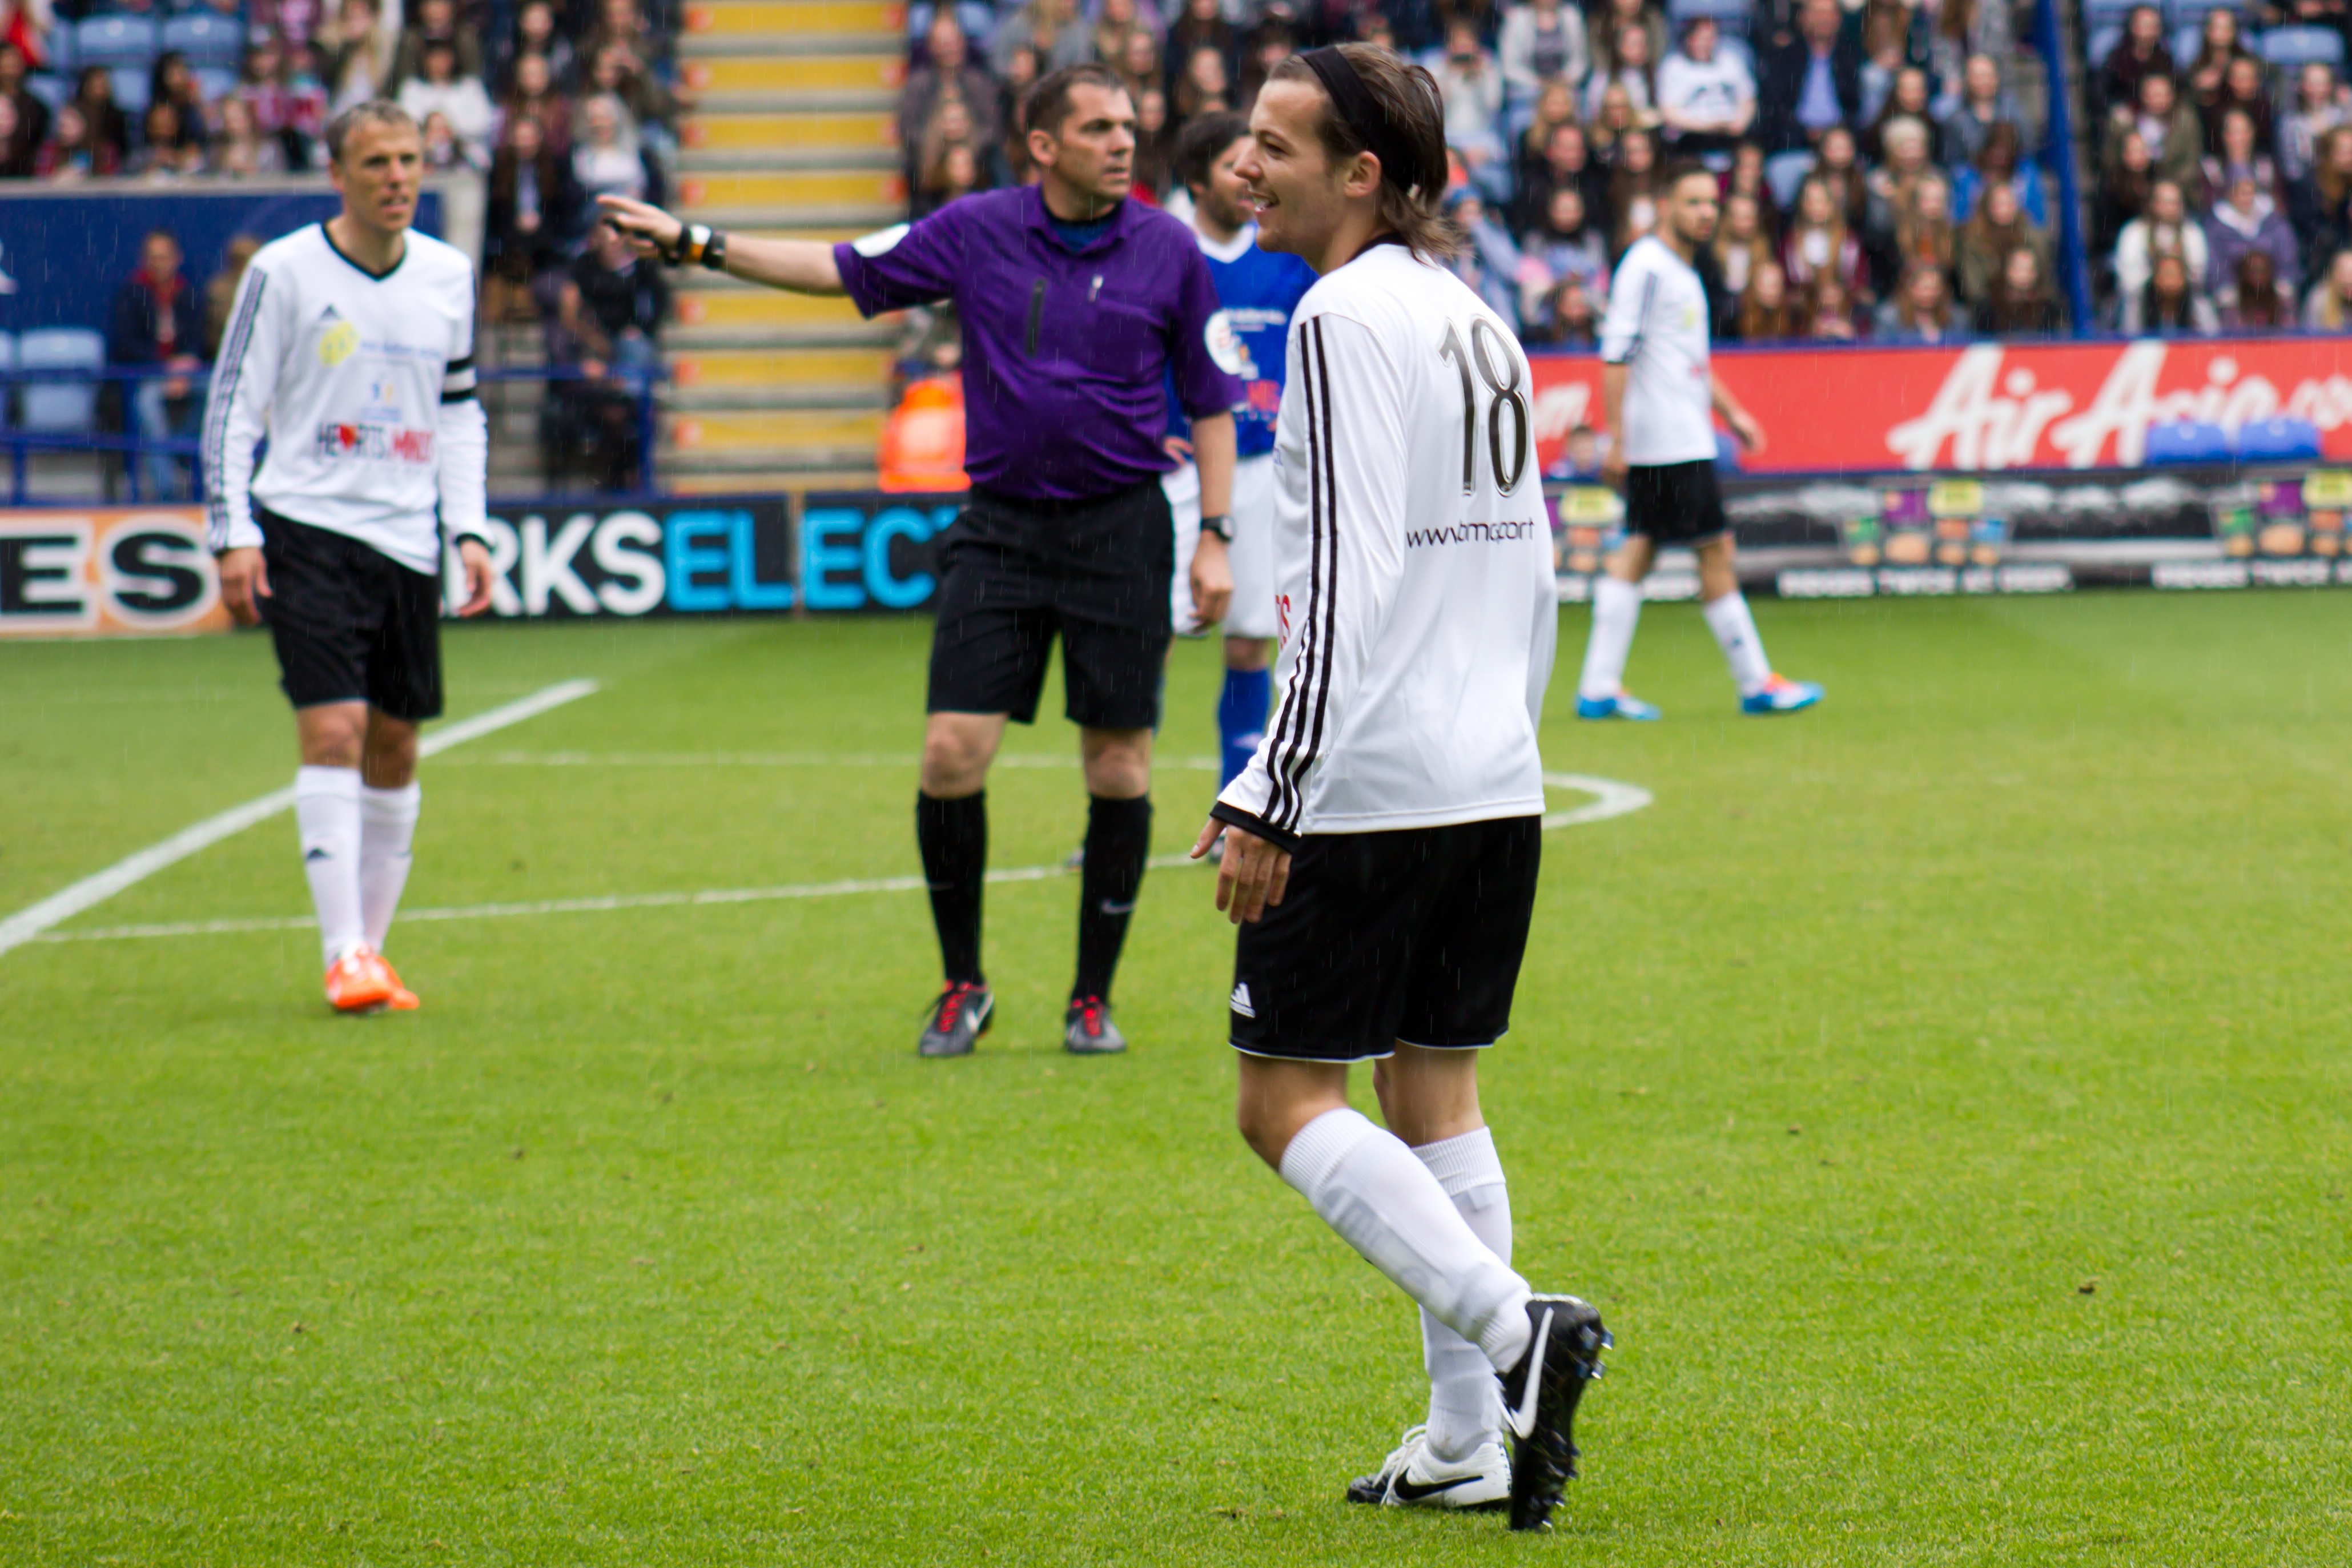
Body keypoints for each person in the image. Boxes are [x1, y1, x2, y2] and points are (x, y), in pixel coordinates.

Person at [601, 62, 1241, 1059]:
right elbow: (838, 268)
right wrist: (696, 244)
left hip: (1123, 530)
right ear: (1040, 145)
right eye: (1098, 128)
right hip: (1000, 530)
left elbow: (1208, 398)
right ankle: (961, 984)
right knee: (949, 755)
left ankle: (1089, 998)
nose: (1122, 142)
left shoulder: (1167, 247)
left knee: (1117, 767)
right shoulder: (975, 229)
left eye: (1127, 126)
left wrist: (1213, 534)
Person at [1196, 41, 1608, 1533]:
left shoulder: (1335, 314)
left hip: (1368, 779)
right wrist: (1510, 733)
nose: (1246, 166)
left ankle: (1516, 1337)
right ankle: (1465, 1440)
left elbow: (1342, 579)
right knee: (1431, 1085)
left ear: (1360, 173)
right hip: (1491, 772)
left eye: (1275, 146)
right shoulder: (1471, 317)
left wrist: (1267, 792)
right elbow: (1532, 556)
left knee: (1277, 1099)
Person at [201, 101, 498, 1015]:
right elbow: (231, 409)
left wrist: (470, 529)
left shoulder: (447, 275)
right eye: (375, 163)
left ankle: (370, 949)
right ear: (338, 173)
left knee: (396, 748)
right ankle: (344, 956)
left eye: (409, 159)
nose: (397, 177)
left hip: (408, 539)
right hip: (306, 525)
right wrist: (234, 531)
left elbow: (457, 409)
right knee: (332, 730)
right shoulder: (285, 271)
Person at [1575, 163, 1819, 723]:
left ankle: (1598, 688)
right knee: (1714, 550)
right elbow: (1616, 356)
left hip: (1679, 435)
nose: (1706, 212)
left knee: (1640, 550)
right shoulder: (1649, 268)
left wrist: (1734, 415)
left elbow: (1690, 364)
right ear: (1666, 206)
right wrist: (1617, 439)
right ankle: (1757, 682)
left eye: (1712, 202)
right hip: (1668, 442)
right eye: (1693, 202)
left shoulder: (1681, 270)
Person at [1160, 112, 1316, 797]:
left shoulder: (1284, 256)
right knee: (1147, 641)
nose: (1250, 175)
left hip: (1259, 469)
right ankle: (1119, 797)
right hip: (1172, 474)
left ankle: (1238, 799)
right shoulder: (1164, 254)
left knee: (1252, 637)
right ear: (1196, 181)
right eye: (1233, 165)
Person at [107, 229, 204, 498]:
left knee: (215, 391)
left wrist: (187, 363)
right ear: (144, 260)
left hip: (185, 377)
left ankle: (177, 452)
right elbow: (125, 344)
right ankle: (167, 488)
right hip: (145, 377)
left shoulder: (188, 293)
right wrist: (165, 368)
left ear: (177, 258)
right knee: (147, 403)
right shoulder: (131, 294)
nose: (159, 263)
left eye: (164, 257)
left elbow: (197, 338)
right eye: (153, 257)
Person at [1757, 0, 1863, 155]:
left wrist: (1834, 132)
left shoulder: (1853, 56)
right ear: (1802, 17)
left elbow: (1856, 107)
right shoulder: (1784, 58)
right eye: (1818, 13)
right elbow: (1776, 106)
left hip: (1842, 138)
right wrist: (1806, 132)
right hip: (1795, 139)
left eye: (1830, 13)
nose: (1824, 19)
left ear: (1839, 18)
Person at [1655, 16, 1754, 162]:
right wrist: (1710, 126)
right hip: (1691, 139)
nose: (1705, 44)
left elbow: (1748, 99)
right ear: (1688, 39)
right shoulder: (1672, 66)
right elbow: (1668, 112)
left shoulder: (1731, 61)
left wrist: (1740, 123)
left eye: (1710, 38)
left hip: (1730, 136)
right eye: (1699, 38)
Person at [1972, 243, 2061, 335]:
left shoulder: (2048, 308)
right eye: (2019, 268)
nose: (2024, 274)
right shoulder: (1988, 307)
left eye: (2029, 269)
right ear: (2007, 270)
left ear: (2036, 273)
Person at [2122, 248, 2217, 333]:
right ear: (2155, 278)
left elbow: (2212, 338)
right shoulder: (2139, 304)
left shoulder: (2199, 304)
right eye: (2167, 274)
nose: (2171, 282)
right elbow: (2129, 337)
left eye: (2176, 275)